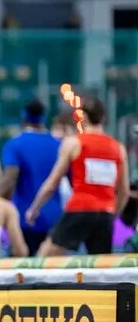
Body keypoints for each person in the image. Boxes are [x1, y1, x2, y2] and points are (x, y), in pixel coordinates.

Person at [26, 97, 130, 256]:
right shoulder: (118, 148)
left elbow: (52, 183)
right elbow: (124, 191)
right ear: (103, 118)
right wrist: (112, 213)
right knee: (101, 265)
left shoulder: (73, 143)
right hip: (105, 211)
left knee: (45, 256)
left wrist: (34, 208)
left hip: (79, 208)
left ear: (84, 117)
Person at [0, 100, 62, 255]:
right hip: (54, 218)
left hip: (25, 218)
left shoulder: (15, 145)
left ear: (24, 117)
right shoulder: (58, 145)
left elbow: (10, 179)